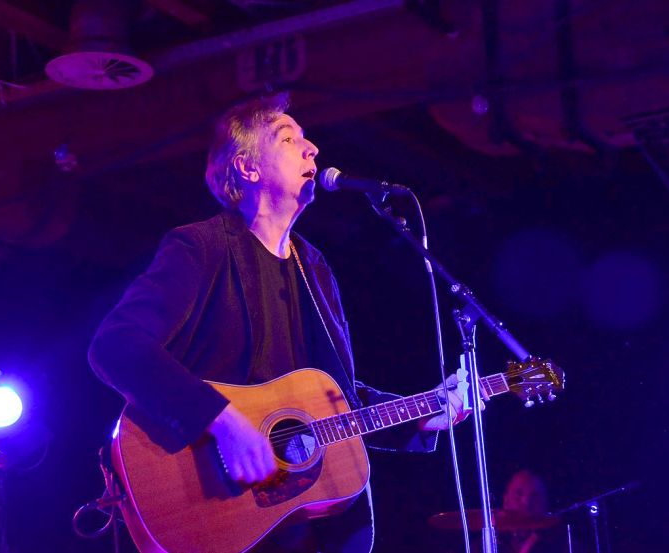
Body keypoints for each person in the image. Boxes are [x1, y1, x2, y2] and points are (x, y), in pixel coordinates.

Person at [88, 93, 472, 552]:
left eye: (307, 139)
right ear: (248, 168)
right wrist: (222, 421)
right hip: (219, 512)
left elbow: (335, 397)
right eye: (289, 138)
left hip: (317, 524)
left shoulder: (315, 268)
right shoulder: (201, 248)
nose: (312, 148)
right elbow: (116, 347)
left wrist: (422, 416)